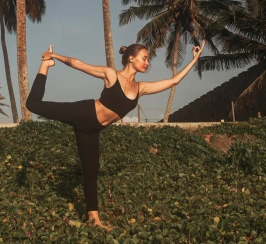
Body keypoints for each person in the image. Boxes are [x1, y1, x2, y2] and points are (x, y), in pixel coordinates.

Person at [26, 41, 205, 230]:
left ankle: (94, 220)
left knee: (91, 171)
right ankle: (45, 66)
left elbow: (173, 81)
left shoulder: (140, 88)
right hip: (83, 112)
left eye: (147, 60)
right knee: (33, 105)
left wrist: (195, 60)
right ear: (131, 58)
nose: (147, 63)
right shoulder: (112, 76)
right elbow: (78, 64)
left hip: (92, 129)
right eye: (144, 58)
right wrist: (54, 57)